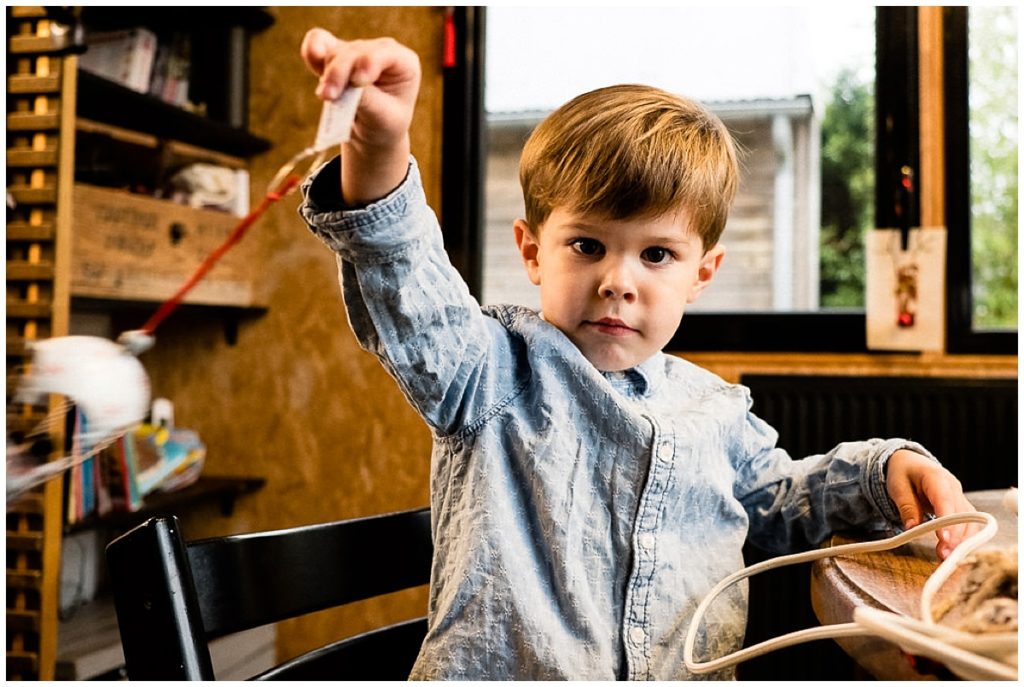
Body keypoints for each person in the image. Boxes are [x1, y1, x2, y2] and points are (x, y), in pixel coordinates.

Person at [296, 29, 977, 680]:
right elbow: (408, 279)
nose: (619, 280)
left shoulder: (717, 409)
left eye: (656, 254)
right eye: (587, 245)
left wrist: (884, 469)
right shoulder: (488, 371)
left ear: (701, 273)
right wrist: (379, 144)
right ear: (532, 250)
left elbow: (783, 501)